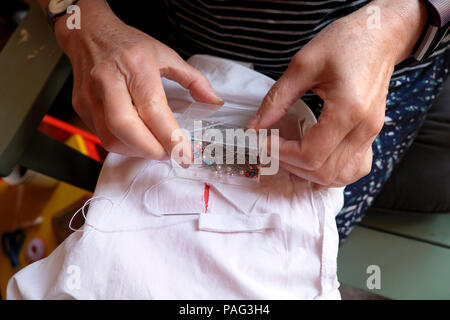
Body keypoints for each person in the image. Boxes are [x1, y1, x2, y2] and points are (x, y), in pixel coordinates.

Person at [36, 0, 450, 240]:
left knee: (299, 229)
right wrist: (80, 18)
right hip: (172, 43)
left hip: (378, 61)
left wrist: (398, 23)